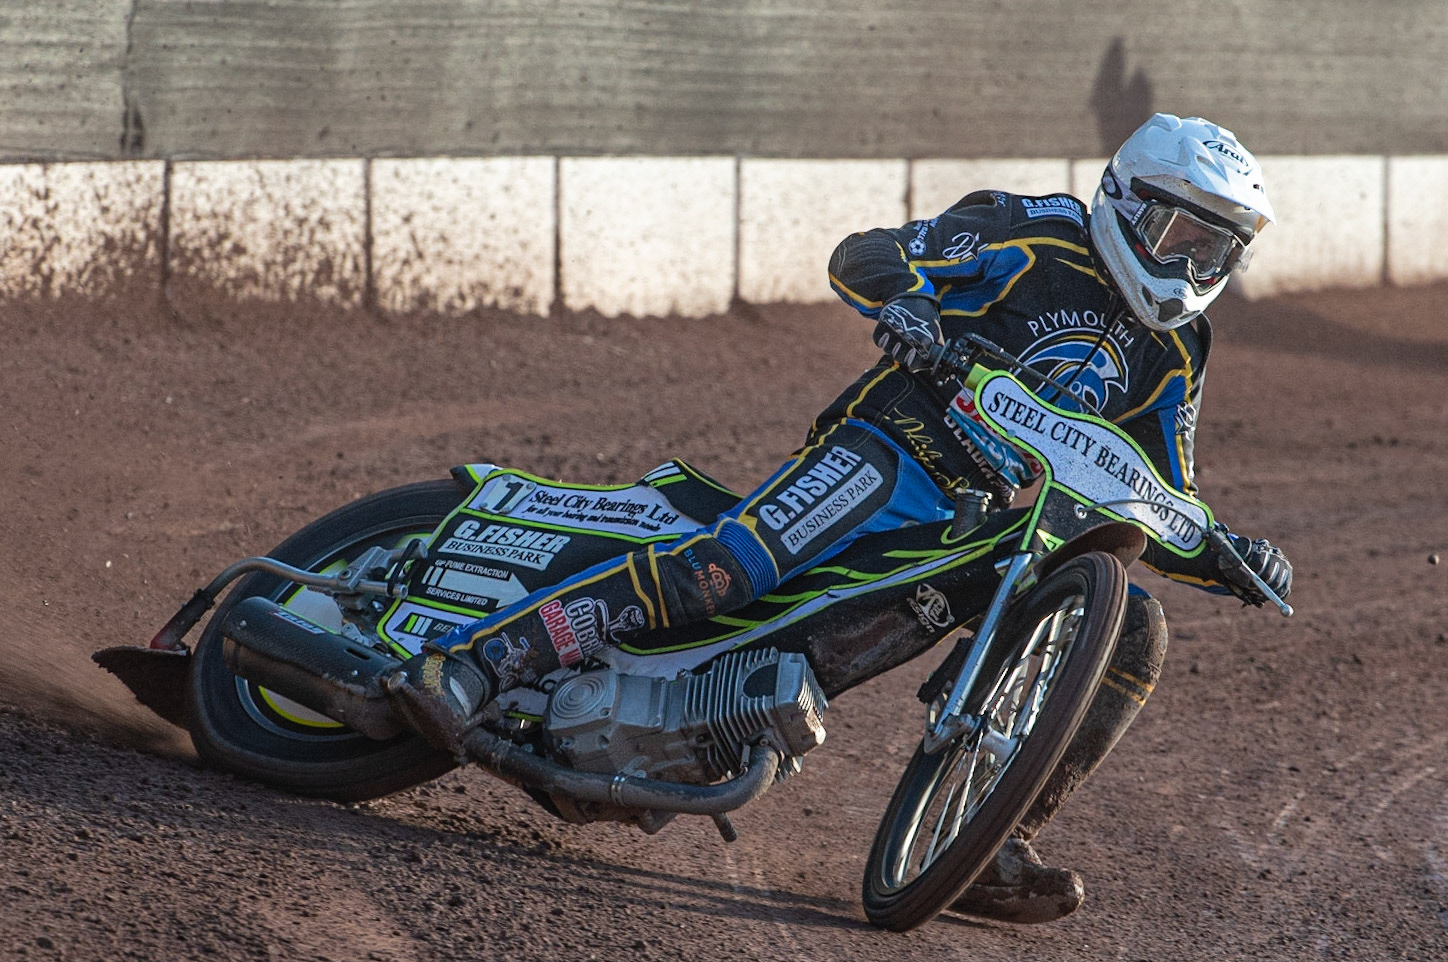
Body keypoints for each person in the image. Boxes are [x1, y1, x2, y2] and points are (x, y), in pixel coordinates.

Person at [382, 113, 1294, 924]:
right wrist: (908, 305)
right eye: (1179, 236)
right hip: (890, 450)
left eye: (1215, 253)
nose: (1189, 268)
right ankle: (473, 665)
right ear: (1125, 204)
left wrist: (1231, 552)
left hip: (976, 523)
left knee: (1133, 627)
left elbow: (1159, 485)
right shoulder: (1037, 233)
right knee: (724, 573)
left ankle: (992, 835)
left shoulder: (1180, 349)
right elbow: (871, 251)